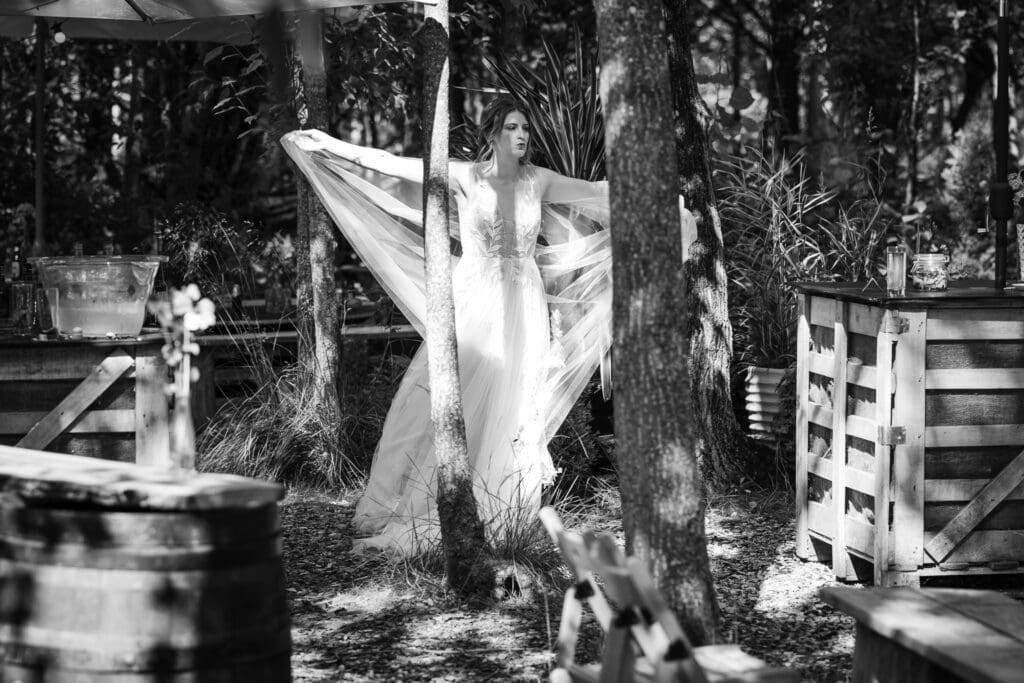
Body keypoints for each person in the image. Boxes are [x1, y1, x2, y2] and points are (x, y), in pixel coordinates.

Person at [281, 96, 694, 555]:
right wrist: (330, 145)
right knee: (455, 395)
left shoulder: (540, 181)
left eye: (526, 129)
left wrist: (658, 198)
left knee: (514, 402)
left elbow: (599, 194)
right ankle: (438, 499)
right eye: (512, 127)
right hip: (475, 300)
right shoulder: (465, 176)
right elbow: (393, 164)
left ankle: (502, 505)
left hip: (524, 304)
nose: (522, 136)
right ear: (493, 134)